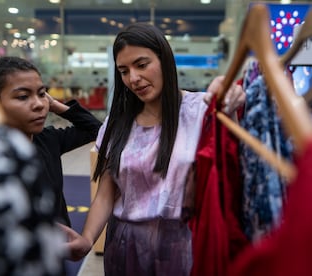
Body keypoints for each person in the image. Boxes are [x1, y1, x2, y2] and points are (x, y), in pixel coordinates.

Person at [59, 22, 245, 275]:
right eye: (124, 71)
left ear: (164, 59)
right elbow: (106, 190)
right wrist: (87, 239)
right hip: (125, 246)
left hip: (183, 244)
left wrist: (235, 98)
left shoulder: (199, 111)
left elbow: (234, 162)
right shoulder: (117, 124)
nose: (133, 78)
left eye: (142, 65)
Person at [0, 56, 102, 227]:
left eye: (41, 94)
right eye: (23, 96)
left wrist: (54, 104)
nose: (38, 104)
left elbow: (96, 130)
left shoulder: (48, 139)